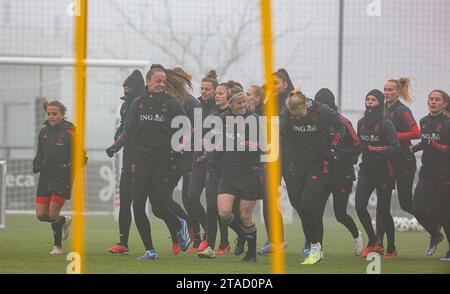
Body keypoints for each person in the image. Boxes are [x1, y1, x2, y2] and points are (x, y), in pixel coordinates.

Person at [106, 67, 190, 260]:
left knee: (159, 206)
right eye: (158, 81)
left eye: (163, 81)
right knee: (137, 206)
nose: (161, 84)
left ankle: (179, 225)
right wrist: (115, 146)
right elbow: (129, 131)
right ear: (148, 82)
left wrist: (181, 147)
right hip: (142, 160)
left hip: (164, 160)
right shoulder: (138, 104)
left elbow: (186, 129)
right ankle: (150, 251)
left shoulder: (172, 103)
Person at [281, 89, 345, 265]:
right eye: (294, 115)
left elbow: (341, 126)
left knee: (308, 205)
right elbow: (283, 135)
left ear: (305, 107)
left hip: (317, 165)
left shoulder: (321, 110)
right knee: (301, 207)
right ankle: (315, 247)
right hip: (297, 165)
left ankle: (315, 248)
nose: (297, 118)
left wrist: (333, 147)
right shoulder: (287, 115)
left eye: (299, 114)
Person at [216, 84, 263, 262]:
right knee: (224, 213)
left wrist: (253, 146)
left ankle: (251, 254)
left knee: (245, 215)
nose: (243, 105)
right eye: (239, 103)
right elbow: (216, 144)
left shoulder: (255, 120)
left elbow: (264, 146)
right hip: (228, 173)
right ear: (230, 104)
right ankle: (242, 235)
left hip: (249, 174)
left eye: (244, 101)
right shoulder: (222, 120)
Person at [313, 88, 363, 257]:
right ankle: (318, 251)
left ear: (330, 105)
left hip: (342, 174)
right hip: (322, 174)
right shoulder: (315, 122)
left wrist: (338, 154)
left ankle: (357, 235)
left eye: (322, 104)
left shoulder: (342, 121)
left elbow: (358, 145)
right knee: (316, 212)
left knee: (340, 214)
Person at [33, 99, 86, 254]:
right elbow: (40, 154)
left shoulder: (70, 132)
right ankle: (63, 221)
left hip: (63, 177)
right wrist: (37, 164)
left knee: (52, 213)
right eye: (49, 113)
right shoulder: (43, 132)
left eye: (54, 114)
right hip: (46, 177)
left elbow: (82, 157)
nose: (51, 116)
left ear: (62, 115)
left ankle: (58, 247)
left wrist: (70, 166)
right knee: (41, 215)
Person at [355, 89, 402, 259]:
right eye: (367, 99)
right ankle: (374, 241)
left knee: (383, 211)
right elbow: (360, 145)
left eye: (373, 99)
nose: (369, 102)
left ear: (380, 103)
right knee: (359, 206)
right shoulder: (361, 123)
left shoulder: (386, 123)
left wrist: (376, 149)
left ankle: (391, 247)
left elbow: (396, 148)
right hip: (366, 171)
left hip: (384, 173)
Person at [376, 78, 420, 245]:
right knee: (382, 204)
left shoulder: (402, 110)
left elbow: (416, 132)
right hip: (386, 162)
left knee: (406, 204)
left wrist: (394, 136)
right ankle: (379, 241)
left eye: (390, 90)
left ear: (398, 92)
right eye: (385, 89)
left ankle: (435, 221)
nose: (386, 92)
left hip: (403, 160)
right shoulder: (382, 110)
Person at [107, 70, 145, 255]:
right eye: (124, 88)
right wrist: (117, 140)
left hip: (147, 162)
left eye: (129, 88)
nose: (126, 91)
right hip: (128, 159)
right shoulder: (125, 106)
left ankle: (181, 228)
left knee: (157, 204)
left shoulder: (146, 106)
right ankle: (123, 242)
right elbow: (124, 127)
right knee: (125, 201)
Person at [257, 69, 293, 255]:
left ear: (285, 84)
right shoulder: (267, 102)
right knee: (268, 199)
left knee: (299, 201)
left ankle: (312, 242)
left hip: (292, 159)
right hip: (272, 158)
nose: (272, 86)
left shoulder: (292, 103)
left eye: (276, 83)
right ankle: (275, 240)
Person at [411, 90, 449, 258]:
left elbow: (437, 144)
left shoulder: (448, 123)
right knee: (417, 207)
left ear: (444, 104)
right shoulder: (424, 121)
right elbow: (425, 141)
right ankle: (435, 235)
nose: (433, 102)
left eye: (437, 100)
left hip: (445, 172)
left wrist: (438, 146)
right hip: (427, 172)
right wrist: (413, 148)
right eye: (431, 99)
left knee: (442, 211)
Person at [197, 81, 233, 258]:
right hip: (213, 168)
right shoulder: (214, 116)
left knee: (227, 212)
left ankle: (242, 237)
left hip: (229, 170)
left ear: (229, 96)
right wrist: (206, 154)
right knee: (211, 207)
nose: (217, 95)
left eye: (220, 93)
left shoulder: (235, 117)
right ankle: (210, 247)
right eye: (216, 93)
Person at [185, 70, 218, 252]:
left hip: (214, 162)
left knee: (213, 203)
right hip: (197, 159)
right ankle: (206, 230)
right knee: (190, 198)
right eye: (202, 88)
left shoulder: (220, 109)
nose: (204, 91)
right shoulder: (197, 107)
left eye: (207, 89)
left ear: (214, 90)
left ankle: (218, 241)